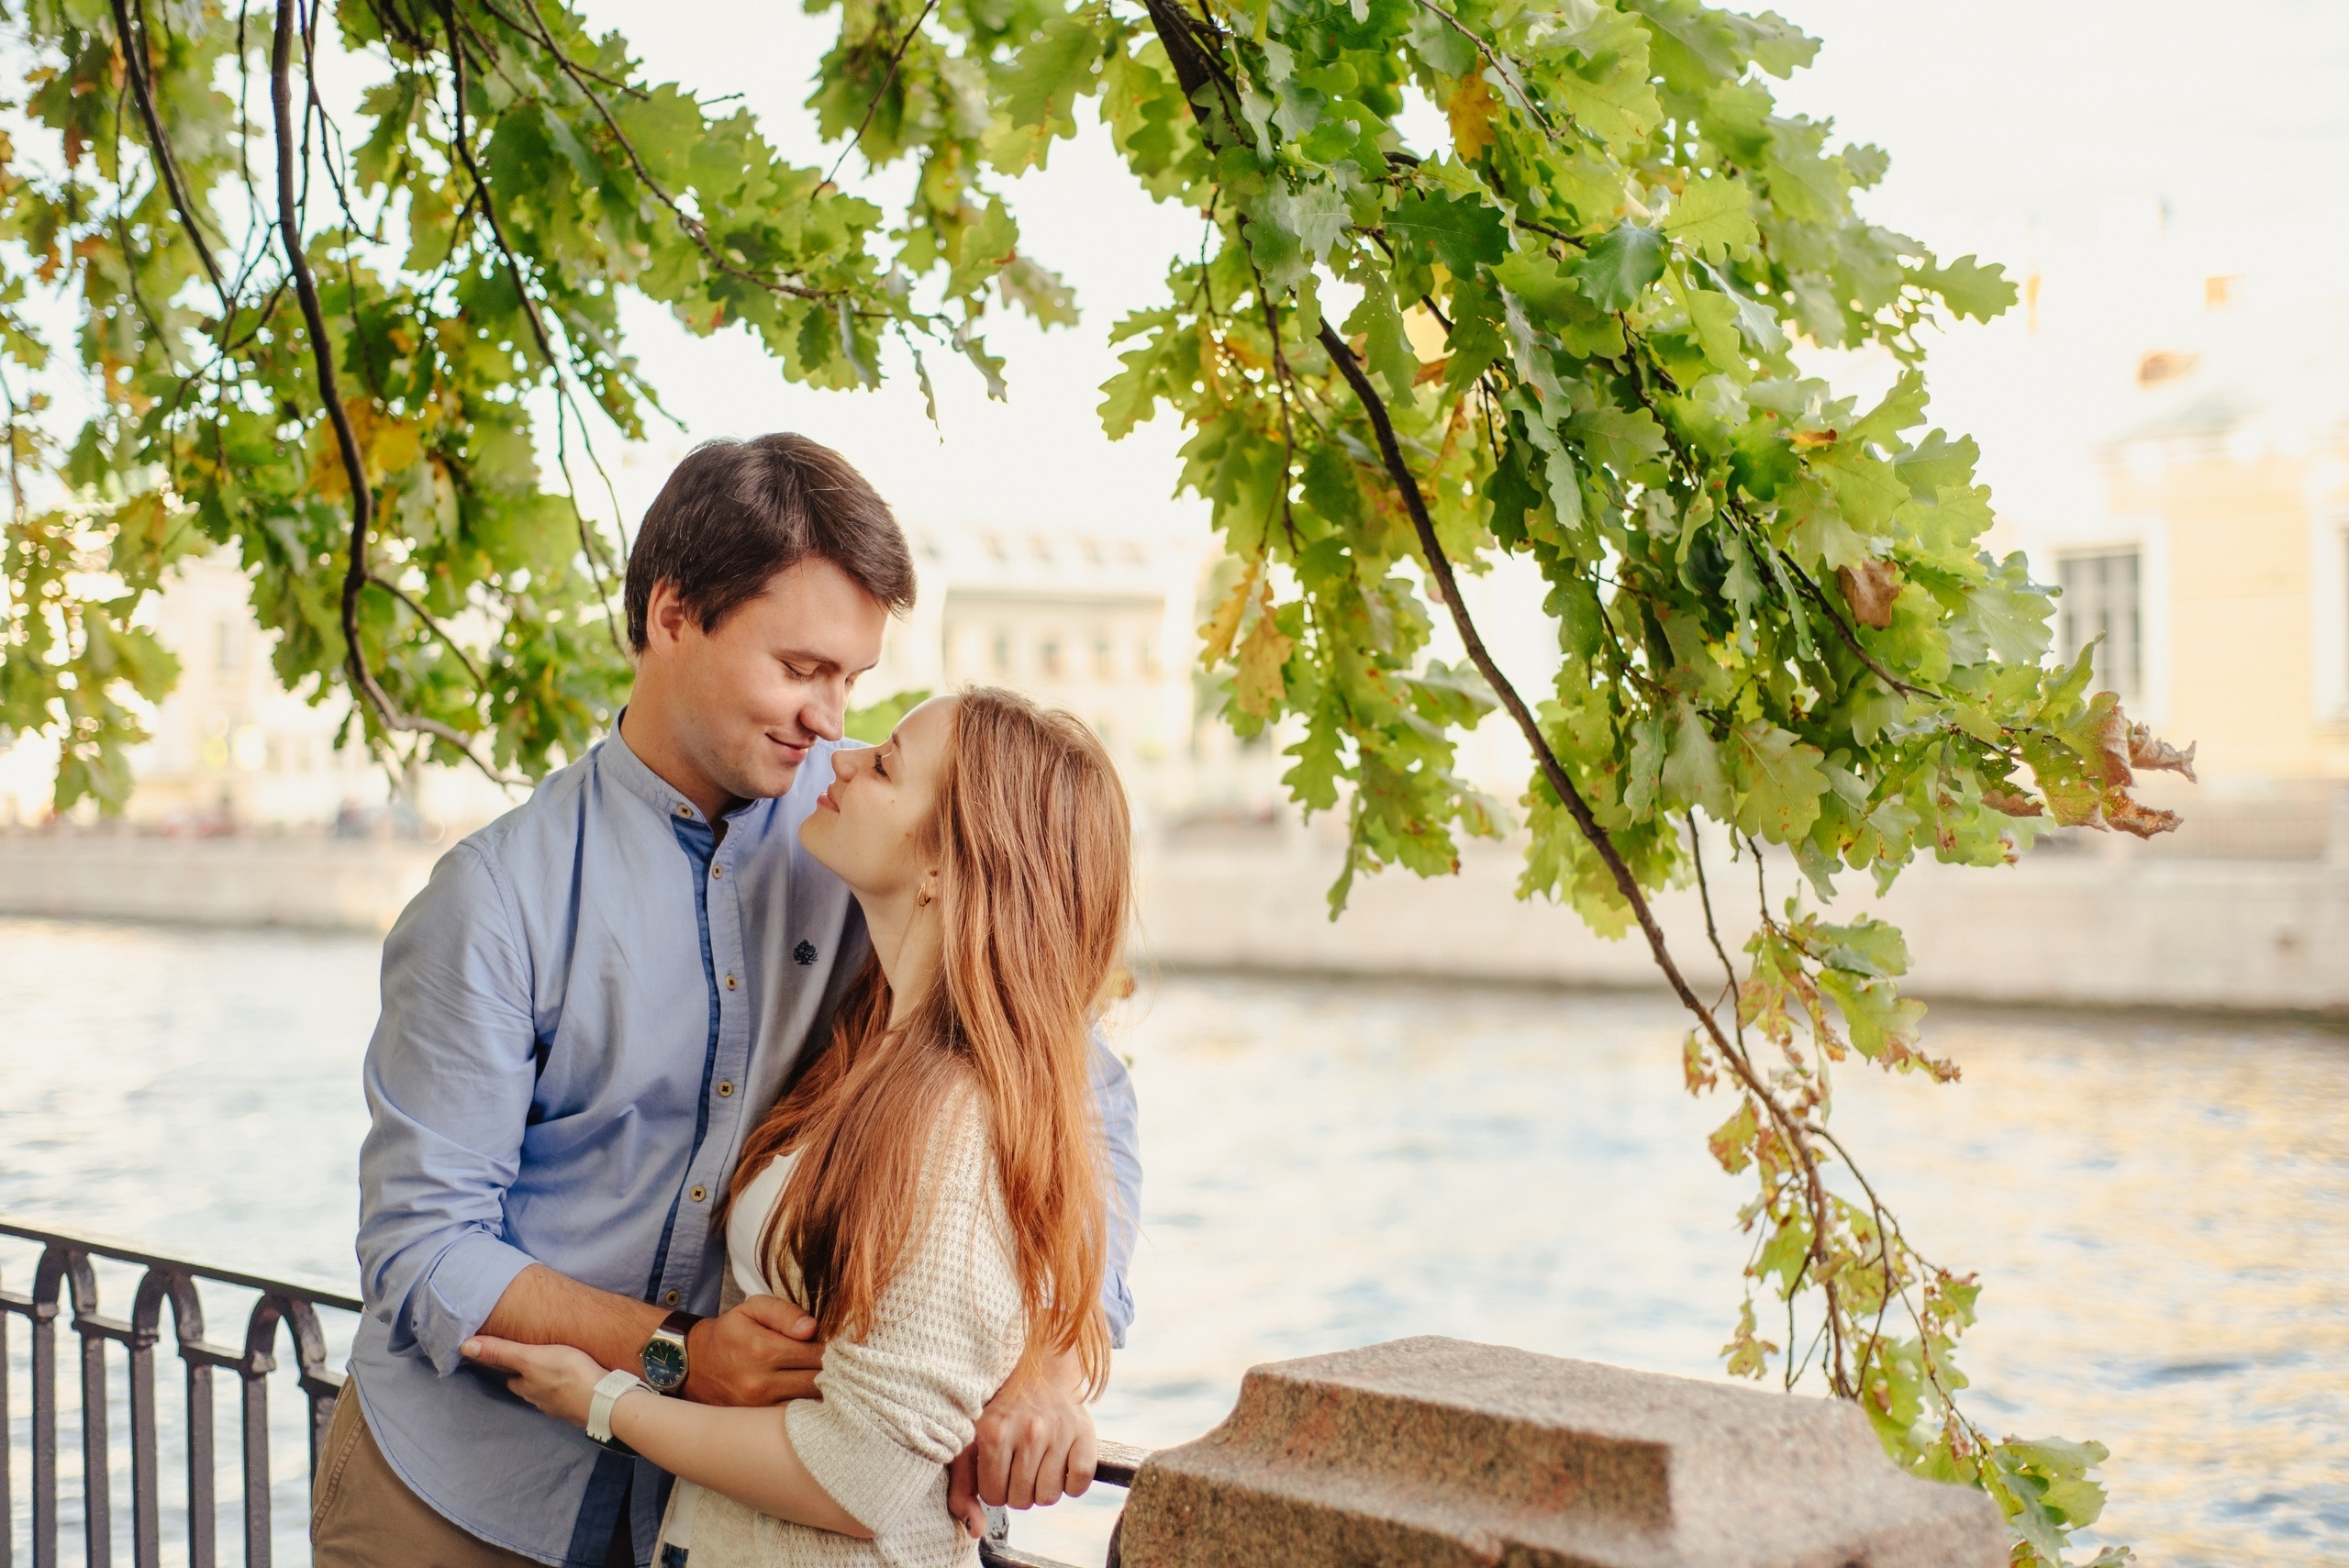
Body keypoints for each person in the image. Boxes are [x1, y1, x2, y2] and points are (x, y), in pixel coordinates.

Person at [313, 438, 1141, 1568]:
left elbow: (1071, 1086)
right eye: (801, 667)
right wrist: (679, 1353)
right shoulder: (495, 899)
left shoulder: (869, 839)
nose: (831, 720)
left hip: (729, 1509)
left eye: (851, 679)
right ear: (672, 615)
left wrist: (1052, 1357)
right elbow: (422, 1245)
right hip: (466, 1496)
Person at [467, 688, 1128, 1568]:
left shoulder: (956, 1125)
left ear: (948, 863)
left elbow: (858, 1475)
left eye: (885, 765)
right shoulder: (878, 1044)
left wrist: (605, 1401)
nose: (841, 755)